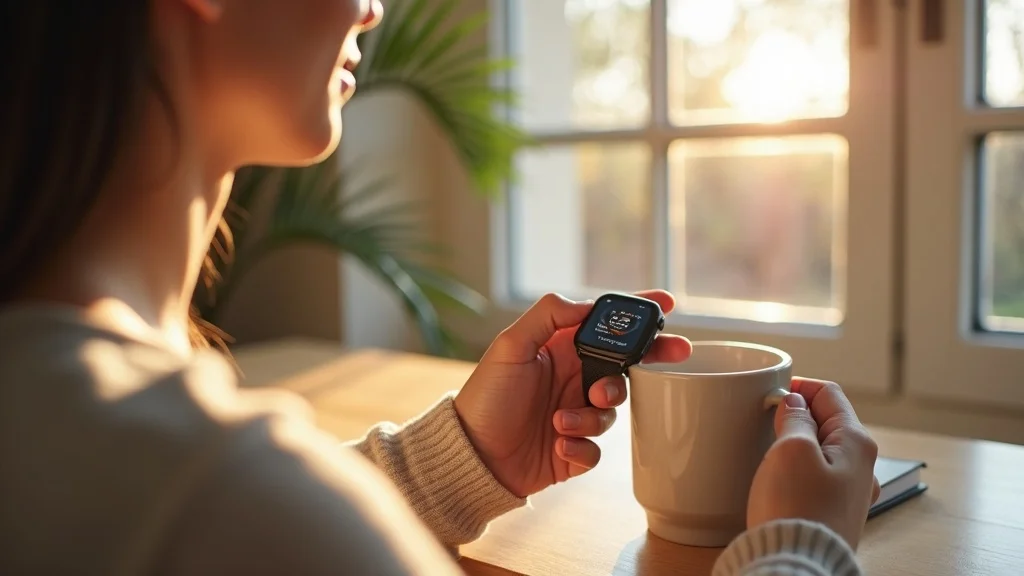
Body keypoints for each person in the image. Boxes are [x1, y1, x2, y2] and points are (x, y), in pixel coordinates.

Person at [0, 1, 879, 575]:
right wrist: (803, 550)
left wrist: (458, 461)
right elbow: (257, 529)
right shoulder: (218, 497)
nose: (374, 6)